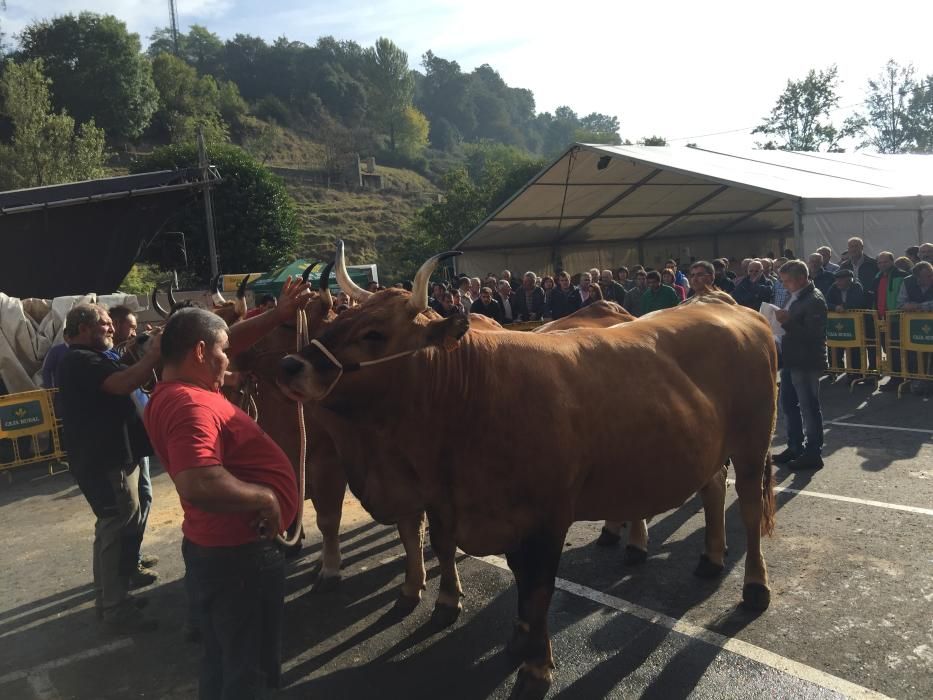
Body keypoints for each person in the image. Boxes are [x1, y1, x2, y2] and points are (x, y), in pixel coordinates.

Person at [145, 308, 299, 698]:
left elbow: (230, 337)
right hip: (241, 556)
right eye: (223, 351)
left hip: (219, 549)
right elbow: (199, 480)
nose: (229, 359)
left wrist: (278, 314)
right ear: (199, 351)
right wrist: (265, 497)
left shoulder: (181, 392)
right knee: (248, 670)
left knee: (224, 656)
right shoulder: (189, 405)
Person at [57, 304, 162, 632]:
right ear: (84, 327)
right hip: (105, 461)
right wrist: (154, 356)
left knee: (112, 527)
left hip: (115, 456)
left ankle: (111, 600)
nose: (112, 329)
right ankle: (116, 611)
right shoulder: (79, 359)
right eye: (104, 324)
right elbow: (122, 384)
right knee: (115, 527)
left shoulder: (92, 358)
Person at [109, 305, 159, 585]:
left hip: (139, 442)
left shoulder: (124, 357)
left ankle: (134, 555)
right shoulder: (112, 360)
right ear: (115, 325)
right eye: (131, 325)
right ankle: (129, 566)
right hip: (126, 445)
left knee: (145, 499)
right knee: (131, 507)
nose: (135, 330)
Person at [774, 261, 828, 471]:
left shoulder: (814, 300)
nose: (784, 284)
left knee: (809, 407)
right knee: (788, 404)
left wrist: (786, 322)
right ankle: (795, 446)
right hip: (792, 358)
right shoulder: (796, 296)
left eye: (787, 280)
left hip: (806, 361)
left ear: (801, 279)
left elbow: (814, 336)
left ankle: (813, 452)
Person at [875, 252, 909, 392]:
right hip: (882, 320)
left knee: (897, 351)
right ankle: (894, 377)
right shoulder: (877, 277)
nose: (882, 265)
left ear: (892, 261)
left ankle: (900, 379)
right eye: (880, 262)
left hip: (897, 319)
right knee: (888, 350)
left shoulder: (902, 275)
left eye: (885, 262)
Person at [827, 269, 868, 382]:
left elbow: (858, 302)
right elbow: (826, 302)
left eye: (841, 280)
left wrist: (844, 307)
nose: (838, 282)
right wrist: (835, 307)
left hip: (853, 323)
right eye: (837, 280)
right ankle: (836, 368)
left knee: (854, 347)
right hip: (837, 322)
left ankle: (855, 372)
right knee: (835, 345)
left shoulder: (856, 286)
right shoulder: (834, 287)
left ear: (849, 280)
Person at [839, 237, 879, 308]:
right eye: (851, 247)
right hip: (850, 304)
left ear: (862, 247)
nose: (854, 249)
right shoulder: (844, 266)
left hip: (869, 303)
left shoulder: (873, 264)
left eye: (856, 246)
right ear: (848, 249)